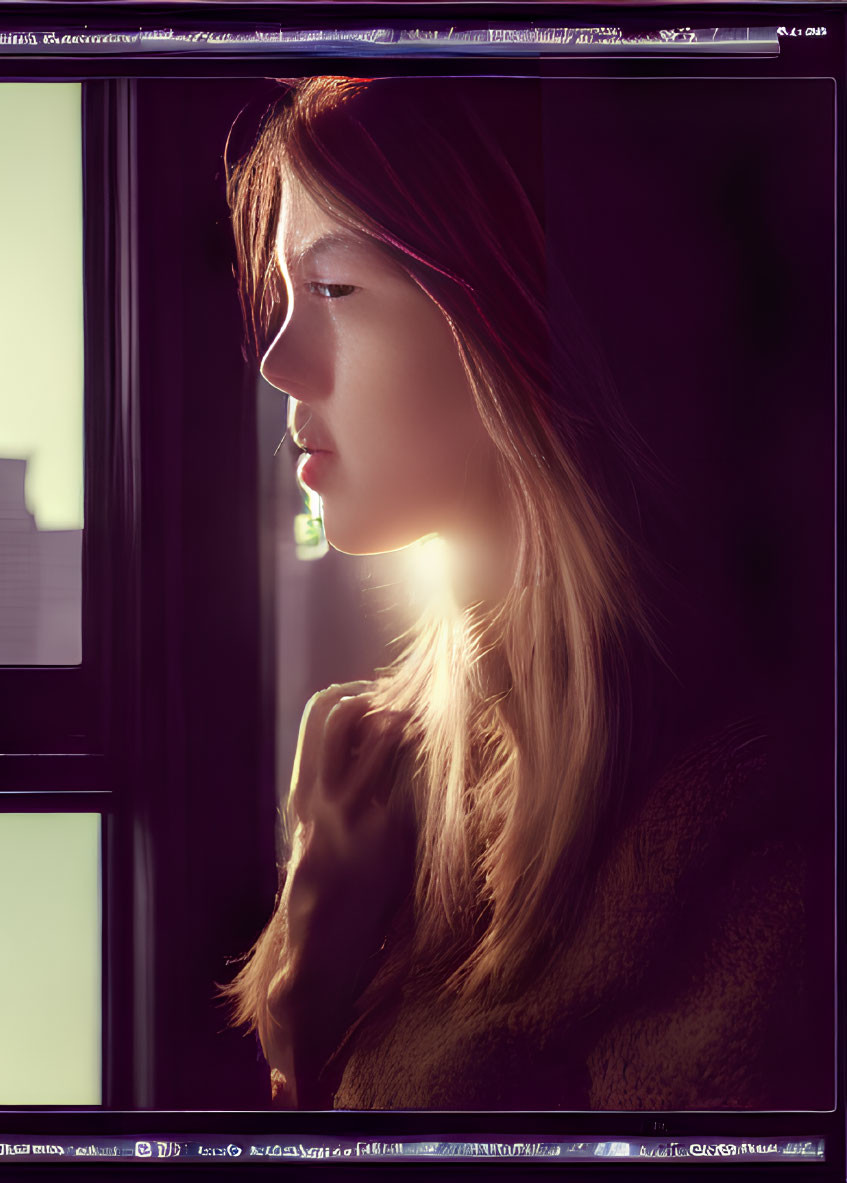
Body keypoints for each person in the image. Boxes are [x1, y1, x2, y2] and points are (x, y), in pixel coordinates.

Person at [215, 77, 830, 1109]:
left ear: (506, 319)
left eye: (331, 291)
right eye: (283, 298)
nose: (278, 361)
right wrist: (300, 998)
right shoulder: (400, 784)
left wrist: (303, 1016)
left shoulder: (762, 876)